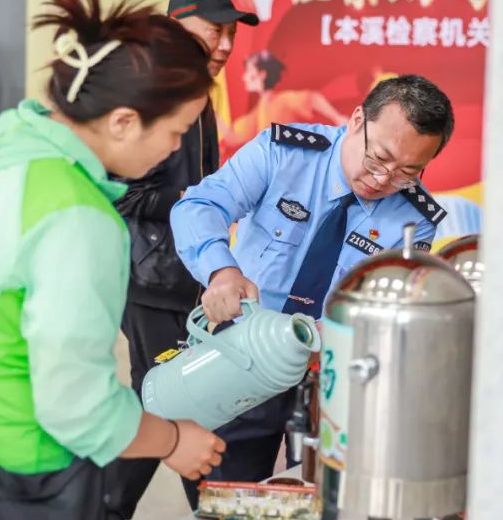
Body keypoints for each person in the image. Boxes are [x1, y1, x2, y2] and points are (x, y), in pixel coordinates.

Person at [0, 0, 226, 520]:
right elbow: (77, 407)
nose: (175, 149)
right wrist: (172, 440)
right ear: (123, 121)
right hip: (12, 490)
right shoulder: (76, 213)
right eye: (174, 132)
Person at [171, 75, 454, 485]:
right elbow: (201, 204)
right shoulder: (283, 153)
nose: (382, 180)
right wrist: (221, 271)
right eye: (378, 158)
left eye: (406, 173)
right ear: (357, 120)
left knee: (322, 493)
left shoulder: (415, 219)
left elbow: (387, 309)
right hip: (245, 351)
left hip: (330, 370)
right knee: (226, 489)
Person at [103, 0, 258, 520]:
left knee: (167, 393)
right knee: (169, 396)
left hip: (182, 275)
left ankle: (112, 515)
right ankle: (115, 515)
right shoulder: (152, 91)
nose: (225, 44)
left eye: (231, 33)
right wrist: (195, 200)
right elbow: (122, 192)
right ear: (177, 25)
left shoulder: (198, 93)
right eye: (214, 30)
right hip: (148, 276)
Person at [222, 50, 347, 153]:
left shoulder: (283, 100)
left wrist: (337, 117)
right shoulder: (260, 108)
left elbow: (313, 98)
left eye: (248, 71)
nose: (244, 77)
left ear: (262, 74)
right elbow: (233, 138)